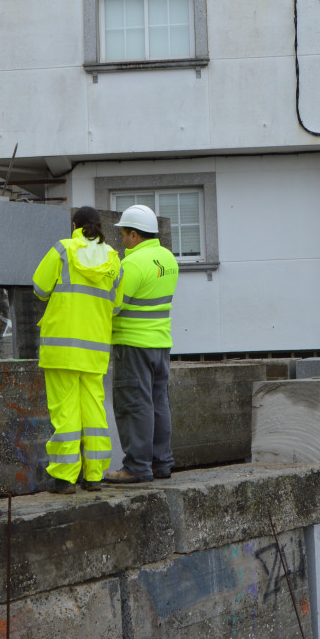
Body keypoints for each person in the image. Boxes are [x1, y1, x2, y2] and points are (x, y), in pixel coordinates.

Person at [32, 206, 122, 494]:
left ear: (74, 225)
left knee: (65, 413)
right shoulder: (113, 258)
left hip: (62, 347)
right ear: (99, 226)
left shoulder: (63, 250)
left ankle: (65, 478)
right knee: (95, 412)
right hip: (95, 349)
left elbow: (39, 288)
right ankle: (94, 475)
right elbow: (116, 305)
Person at [104, 204, 179, 484]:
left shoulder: (133, 264)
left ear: (134, 235)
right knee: (158, 403)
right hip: (160, 342)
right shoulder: (167, 258)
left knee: (134, 405)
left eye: (123, 234)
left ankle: (136, 466)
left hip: (133, 344)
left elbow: (113, 305)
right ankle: (161, 463)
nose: (121, 240)